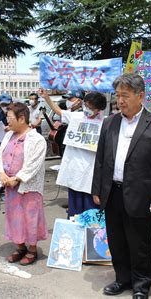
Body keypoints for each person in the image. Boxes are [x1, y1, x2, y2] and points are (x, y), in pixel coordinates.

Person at [91, 74, 151, 298]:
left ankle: (141, 285)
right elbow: (100, 159)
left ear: (140, 96)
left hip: (141, 195)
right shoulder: (110, 122)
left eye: (125, 95)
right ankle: (122, 279)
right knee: (116, 241)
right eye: (118, 96)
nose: (120, 100)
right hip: (112, 192)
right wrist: (97, 189)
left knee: (140, 243)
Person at [39, 88, 107, 218]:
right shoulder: (76, 117)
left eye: (90, 107)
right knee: (75, 212)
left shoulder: (104, 123)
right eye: (85, 105)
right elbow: (58, 111)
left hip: (90, 176)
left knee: (91, 213)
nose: (87, 109)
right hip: (74, 172)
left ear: (99, 109)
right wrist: (47, 97)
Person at [0, 102, 48, 265]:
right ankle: (20, 247)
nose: (7, 121)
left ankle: (32, 250)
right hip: (10, 187)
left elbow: (33, 164)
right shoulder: (8, 135)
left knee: (30, 217)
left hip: (28, 188)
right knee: (14, 218)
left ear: (22, 118)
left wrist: (16, 178)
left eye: (10, 118)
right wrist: (2, 174)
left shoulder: (37, 139)